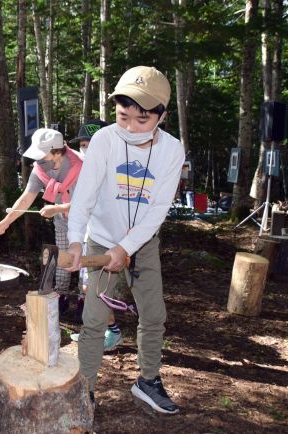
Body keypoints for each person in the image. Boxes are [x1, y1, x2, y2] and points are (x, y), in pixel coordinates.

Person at [65, 66, 185, 414]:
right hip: (101, 242)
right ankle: (83, 389)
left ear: (162, 115)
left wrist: (127, 248)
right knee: (94, 320)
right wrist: (76, 242)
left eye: (142, 119)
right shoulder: (104, 140)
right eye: (122, 117)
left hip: (144, 244)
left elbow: (158, 209)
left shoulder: (172, 151)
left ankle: (148, 381)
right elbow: (84, 196)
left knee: (153, 315)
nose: (130, 127)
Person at [0, 128, 83, 301]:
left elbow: (89, 203)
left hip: (90, 223)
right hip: (63, 221)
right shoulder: (40, 169)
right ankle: (61, 296)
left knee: (85, 263)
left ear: (57, 153)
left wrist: (57, 209)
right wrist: (7, 221)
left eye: (42, 154)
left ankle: (84, 300)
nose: (38, 159)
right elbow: (26, 198)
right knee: (63, 257)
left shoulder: (82, 165)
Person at [66, 120, 123, 352]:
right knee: (88, 288)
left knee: (98, 288)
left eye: (90, 143)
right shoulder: (85, 169)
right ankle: (94, 331)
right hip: (89, 237)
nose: (85, 148)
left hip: (107, 241)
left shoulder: (115, 170)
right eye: (82, 144)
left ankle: (113, 331)